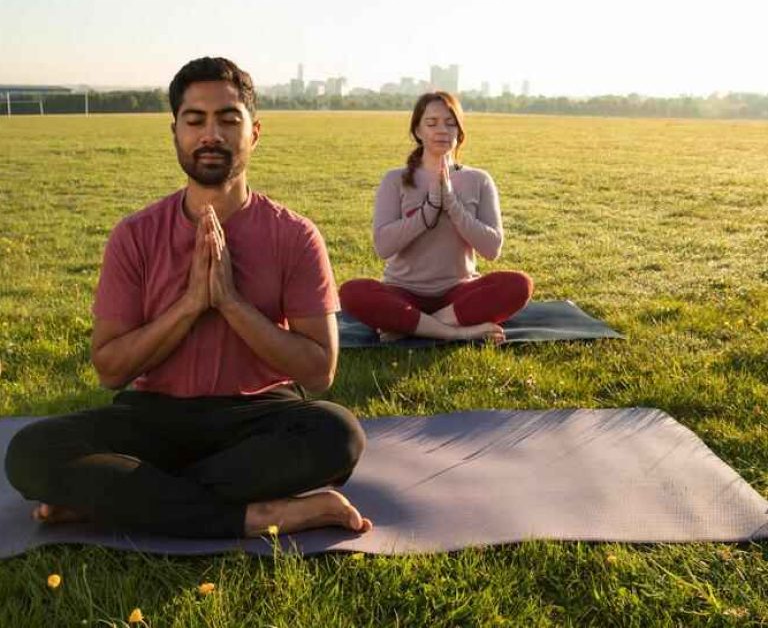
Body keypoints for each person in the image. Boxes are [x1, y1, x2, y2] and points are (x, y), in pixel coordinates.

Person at [5, 57, 372, 539]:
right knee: (29, 452)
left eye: (228, 119)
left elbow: (318, 372)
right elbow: (111, 369)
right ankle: (260, 515)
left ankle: (117, 499)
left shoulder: (295, 235)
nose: (210, 134)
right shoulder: (134, 235)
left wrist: (231, 304)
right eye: (195, 120)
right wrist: (190, 305)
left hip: (258, 416)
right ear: (175, 132)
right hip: (154, 418)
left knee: (337, 435)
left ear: (254, 132)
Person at [340, 91, 532, 343]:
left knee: (519, 285)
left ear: (459, 132)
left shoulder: (479, 180)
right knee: (352, 292)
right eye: (432, 123)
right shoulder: (394, 180)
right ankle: (453, 331)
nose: (442, 130)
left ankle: (413, 325)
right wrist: (428, 209)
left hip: (458, 294)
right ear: (418, 131)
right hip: (403, 292)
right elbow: (383, 247)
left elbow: (492, 248)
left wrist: (452, 204)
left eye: (450, 123)